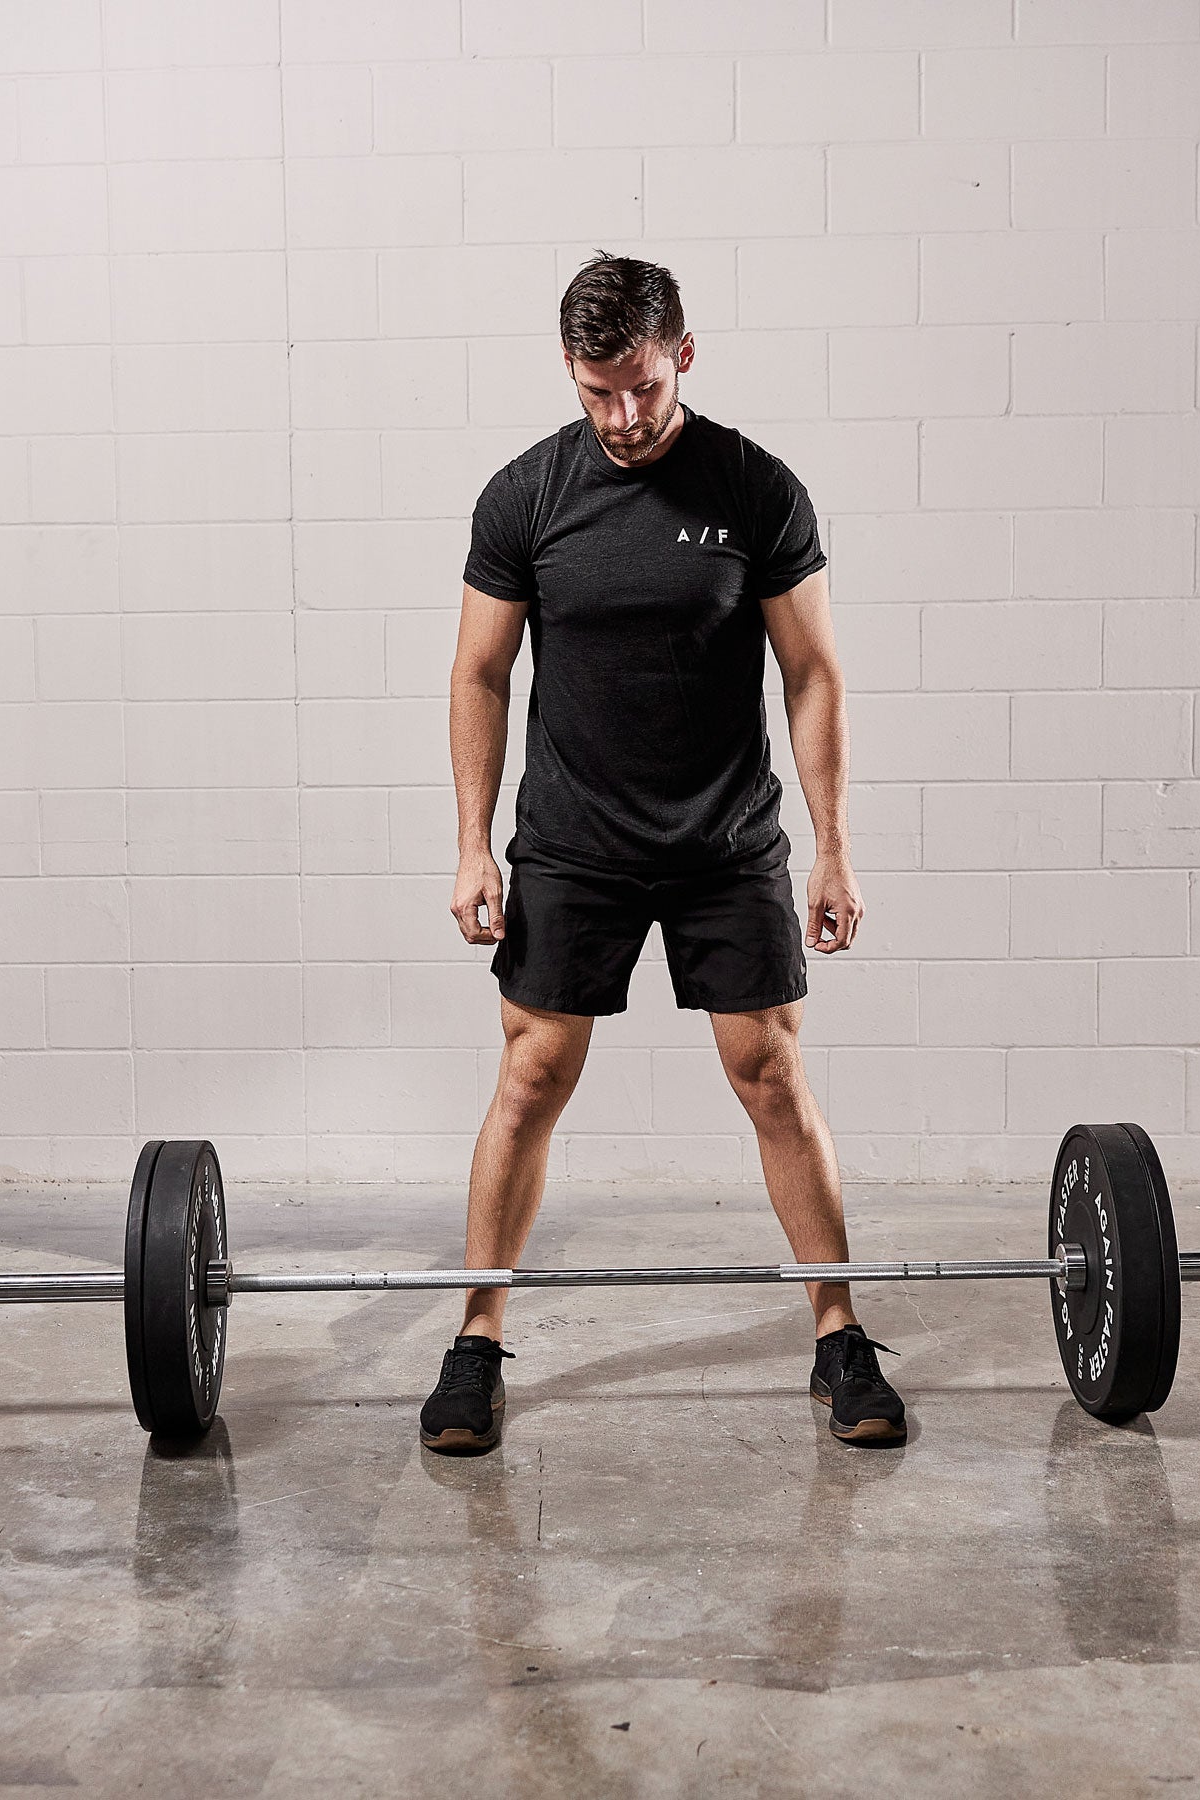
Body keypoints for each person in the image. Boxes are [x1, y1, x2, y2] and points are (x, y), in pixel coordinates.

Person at [421, 251, 905, 1456]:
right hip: (575, 842)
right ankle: (477, 1340)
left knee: (772, 1077)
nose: (624, 419)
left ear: (681, 353)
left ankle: (838, 1334)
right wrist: (472, 848)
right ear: (571, 377)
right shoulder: (524, 496)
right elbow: (481, 672)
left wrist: (833, 849)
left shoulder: (757, 487)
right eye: (599, 395)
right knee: (530, 1077)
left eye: (641, 386)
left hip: (723, 839)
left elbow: (814, 673)